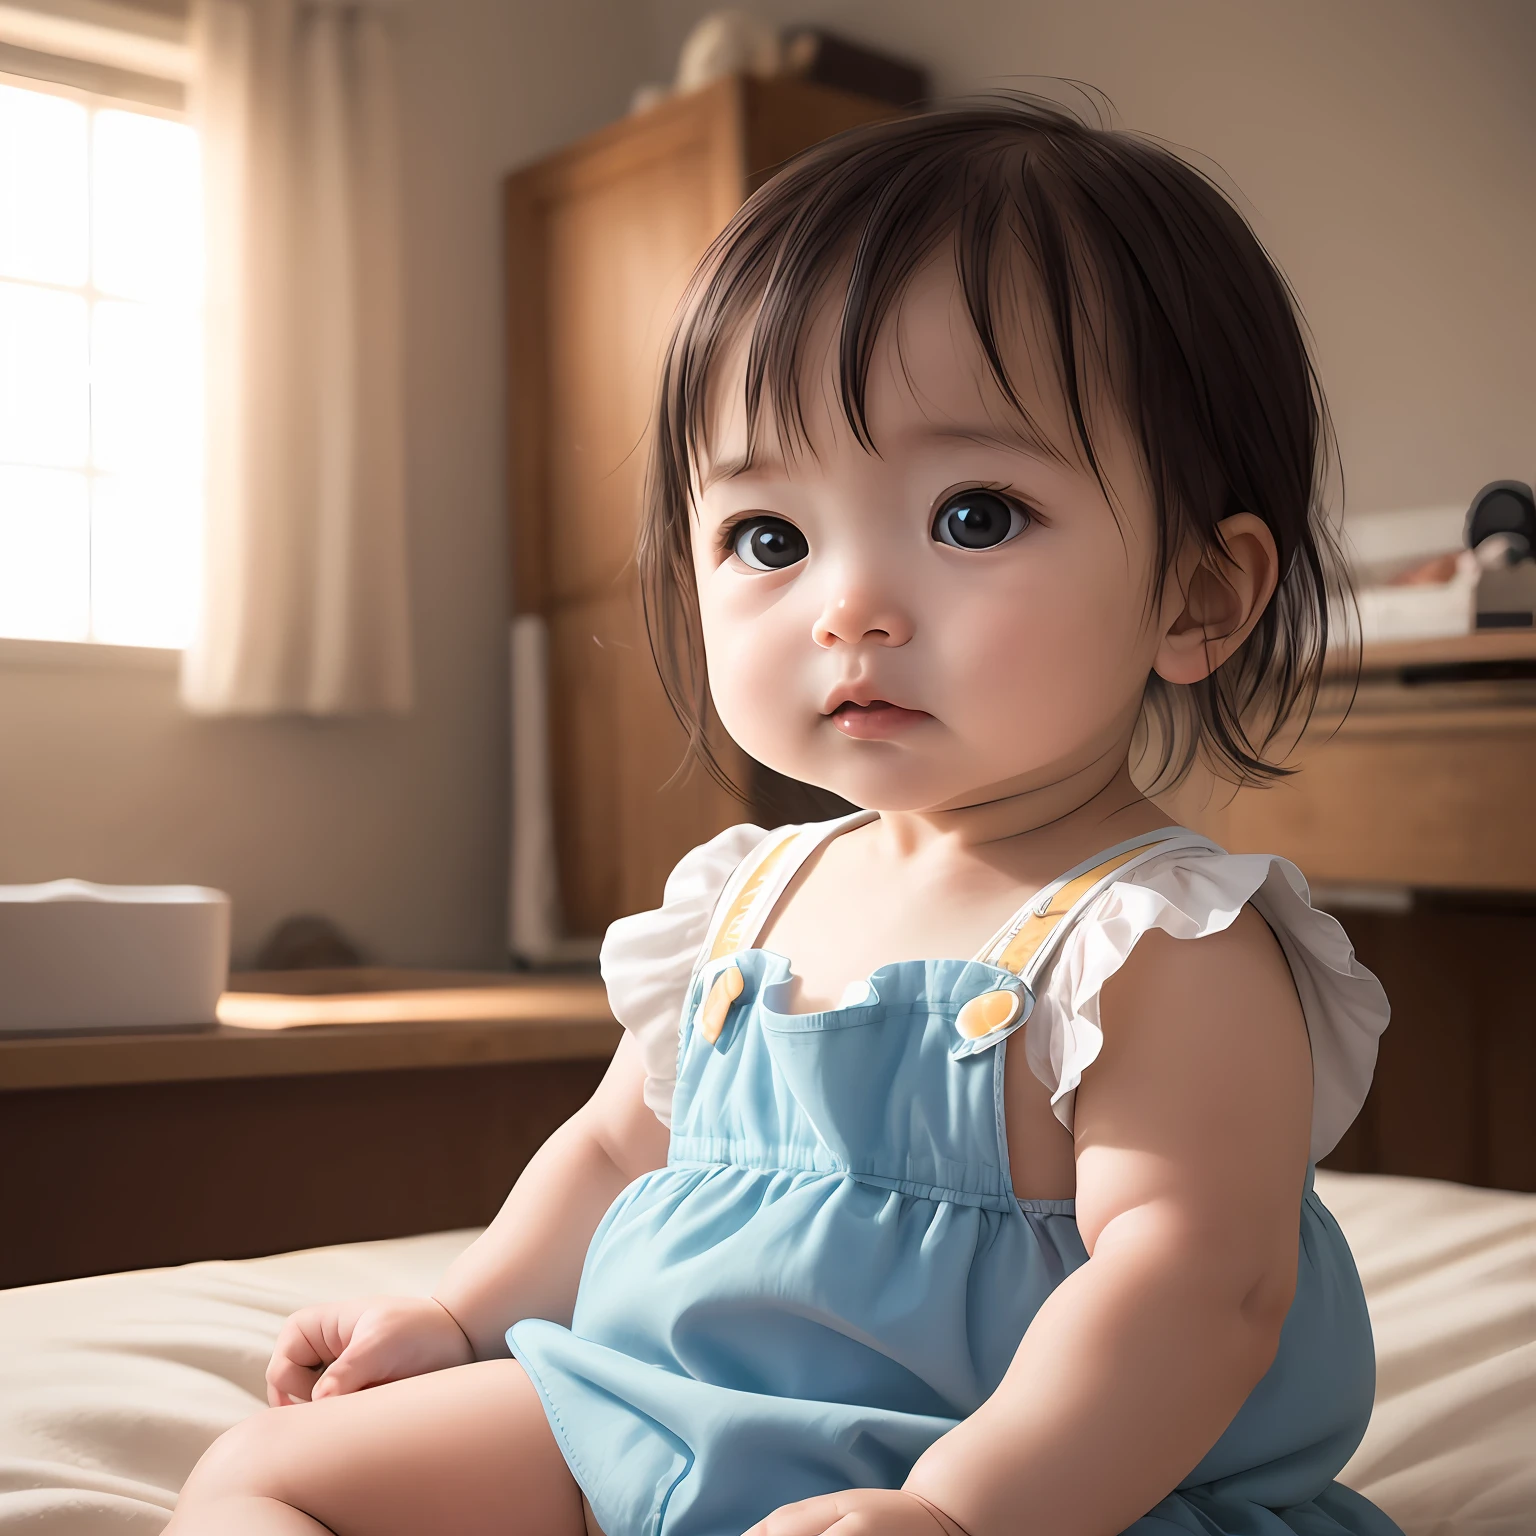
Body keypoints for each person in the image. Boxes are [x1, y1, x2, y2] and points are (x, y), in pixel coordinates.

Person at [168, 94, 1404, 1536]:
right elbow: (615, 1154)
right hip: (668, 1418)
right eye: (771, 536)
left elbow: (1198, 1291)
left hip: (1050, 1482)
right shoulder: (749, 899)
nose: (849, 607)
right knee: (259, 1477)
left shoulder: (1160, 943)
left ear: (1197, 594)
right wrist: (458, 1315)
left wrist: (957, 1512)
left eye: (974, 515)